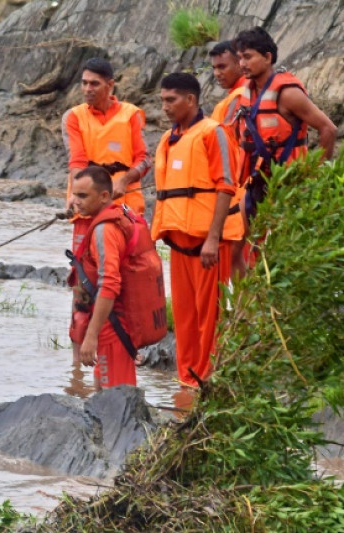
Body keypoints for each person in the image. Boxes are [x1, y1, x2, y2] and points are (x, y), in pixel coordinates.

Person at [151, 72, 244, 389]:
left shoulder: (213, 133)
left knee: (210, 318)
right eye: (162, 100)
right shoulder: (168, 139)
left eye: (170, 100)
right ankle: (186, 383)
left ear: (190, 100)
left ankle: (207, 381)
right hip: (178, 244)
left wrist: (213, 238)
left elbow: (226, 186)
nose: (164, 107)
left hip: (208, 245)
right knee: (186, 317)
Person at [62, 57, 152, 365]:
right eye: (84, 83)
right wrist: (78, 198)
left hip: (125, 208)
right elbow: (77, 161)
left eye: (94, 84)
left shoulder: (130, 115)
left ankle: (126, 345)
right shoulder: (73, 117)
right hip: (86, 208)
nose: (87, 89)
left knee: (126, 279)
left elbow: (144, 159)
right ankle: (78, 361)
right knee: (81, 285)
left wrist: (125, 180)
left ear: (110, 85)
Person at [232, 26, 336, 221]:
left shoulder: (288, 94)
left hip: (288, 186)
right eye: (239, 58)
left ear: (267, 58)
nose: (242, 63)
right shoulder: (247, 93)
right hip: (255, 184)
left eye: (248, 57)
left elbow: (328, 129)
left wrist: (317, 180)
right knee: (250, 246)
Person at [68, 166, 140, 388]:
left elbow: (109, 284)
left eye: (83, 196)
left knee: (114, 401)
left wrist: (91, 336)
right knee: (101, 393)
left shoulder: (105, 230)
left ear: (104, 196)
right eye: (74, 194)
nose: (75, 201)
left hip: (113, 327)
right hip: (109, 324)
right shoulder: (118, 216)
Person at [208, 39, 249, 277]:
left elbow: (231, 146)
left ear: (239, 63)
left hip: (238, 189)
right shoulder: (240, 95)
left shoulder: (239, 98)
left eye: (222, 67)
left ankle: (247, 311)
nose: (216, 73)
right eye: (214, 68)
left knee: (237, 256)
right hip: (240, 187)